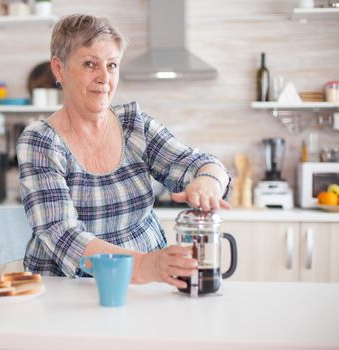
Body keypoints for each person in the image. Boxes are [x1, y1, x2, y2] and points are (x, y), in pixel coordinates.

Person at [17, 14, 231, 287]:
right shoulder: (41, 141)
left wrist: (207, 182)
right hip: (72, 290)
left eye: (112, 65)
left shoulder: (134, 125)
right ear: (59, 69)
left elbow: (202, 163)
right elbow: (64, 237)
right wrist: (144, 264)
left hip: (146, 287)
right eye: (90, 64)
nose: (104, 78)